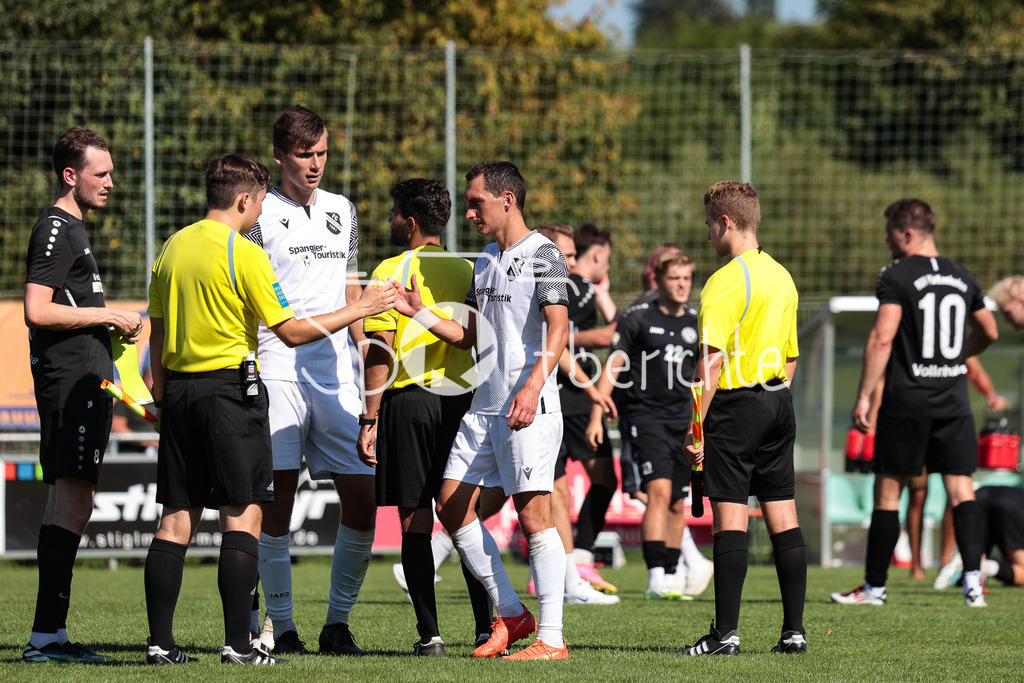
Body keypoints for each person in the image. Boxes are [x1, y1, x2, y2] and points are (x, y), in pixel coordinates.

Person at [143, 154, 396, 666]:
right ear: (244, 199)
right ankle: (240, 645)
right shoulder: (244, 253)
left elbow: (159, 334)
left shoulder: (171, 248)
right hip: (233, 393)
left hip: (181, 394)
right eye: (259, 202)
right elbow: (291, 331)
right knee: (243, 520)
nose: (261, 211)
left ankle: (160, 645)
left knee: (174, 524)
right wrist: (362, 308)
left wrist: (162, 396)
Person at [394, 160, 572, 661]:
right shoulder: (486, 259)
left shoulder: (545, 253)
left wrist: (534, 385)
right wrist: (419, 313)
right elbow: (472, 334)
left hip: (527, 407)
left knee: (535, 518)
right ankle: (513, 613)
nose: (468, 211)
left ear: (507, 199)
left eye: (476, 202)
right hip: (483, 405)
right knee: (451, 506)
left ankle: (552, 640)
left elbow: (558, 328)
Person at [245, 105, 374, 657]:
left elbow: (352, 295)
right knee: (277, 505)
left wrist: (367, 348)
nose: (316, 164)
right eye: (305, 154)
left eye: (322, 152)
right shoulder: (256, 219)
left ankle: (337, 623)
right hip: (275, 365)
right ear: (280, 156)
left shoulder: (342, 209)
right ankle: (284, 627)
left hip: (334, 373)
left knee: (364, 500)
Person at [831, 198, 998, 609]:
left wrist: (865, 395)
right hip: (954, 401)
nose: (887, 242)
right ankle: (973, 585)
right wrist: (959, 355)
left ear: (906, 234)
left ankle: (874, 588)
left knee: (889, 493)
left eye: (890, 233)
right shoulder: (962, 276)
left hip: (907, 401)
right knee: (961, 491)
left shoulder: (896, 275)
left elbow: (882, 337)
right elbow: (989, 331)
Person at [22, 127, 144, 664]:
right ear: (71, 175)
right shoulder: (56, 228)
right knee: (73, 500)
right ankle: (45, 639)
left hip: (85, 382)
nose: (111, 183)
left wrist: (108, 332)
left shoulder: (74, 229)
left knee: (71, 500)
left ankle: (50, 635)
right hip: (69, 387)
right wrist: (106, 314)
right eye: (102, 173)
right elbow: (37, 310)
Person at [359, 177, 491, 655]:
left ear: (410, 222)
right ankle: (485, 627)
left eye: (394, 212)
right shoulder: (467, 269)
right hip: (461, 401)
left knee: (415, 519)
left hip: (409, 403)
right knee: (463, 516)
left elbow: (380, 352)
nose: (390, 220)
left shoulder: (390, 271)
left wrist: (368, 419)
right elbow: (476, 337)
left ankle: (430, 635)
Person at [677, 181, 806, 656]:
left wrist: (695, 432)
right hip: (778, 401)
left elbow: (708, 365)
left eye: (710, 224)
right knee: (783, 514)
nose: (709, 233)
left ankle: (725, 634)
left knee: (729, 516)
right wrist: (772, 401)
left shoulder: (726, 280)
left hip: (736, 406)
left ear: (725, 222)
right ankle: (794, 633)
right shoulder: (782, 276)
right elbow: (790, 357)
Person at [588, 252, 713, 600]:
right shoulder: (638, 318)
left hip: (684, 422)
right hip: (647, 418)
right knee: (657, 492)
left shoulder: (695, 321)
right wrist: (598, 411)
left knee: (676, 501)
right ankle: (656, 574)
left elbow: (707, 372)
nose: (683, 284)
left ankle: (672, 573)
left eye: (687, 278)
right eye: (675, 278)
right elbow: (614, 363)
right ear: (659, 280)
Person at [534, 223, 619, 605]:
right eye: (564, 255)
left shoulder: (556, 283)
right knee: (560, 489)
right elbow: (573, 339)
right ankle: (573, 570)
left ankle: (570, 576)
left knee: (553, 490)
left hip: (555, 397)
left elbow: (562, 340)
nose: (569, 265)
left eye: (571, 256)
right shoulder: (576, 287)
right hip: (550, 399)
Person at [933, 486, 1024, 589]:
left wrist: (945, 557)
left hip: (978, 496)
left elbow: (952, 503)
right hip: (1012, 504)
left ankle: (970, 565)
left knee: (977, 578)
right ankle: (984, 566)